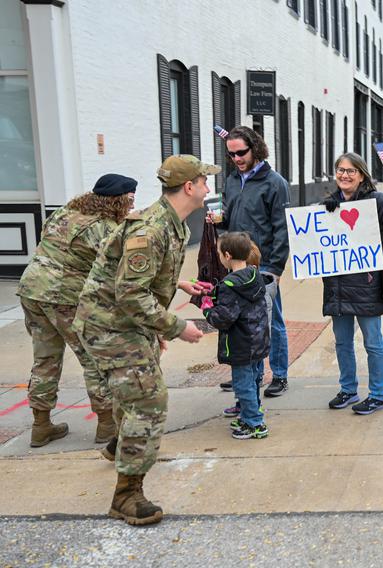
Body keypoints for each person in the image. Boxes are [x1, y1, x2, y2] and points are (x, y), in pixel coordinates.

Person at [75, 155, 213, 525]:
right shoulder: (150, 229)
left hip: (126, 323)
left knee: (133, 393)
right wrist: (174, 326)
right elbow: (130, 295)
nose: (207, 187)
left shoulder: (170, 223)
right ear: (188, 187)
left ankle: (119, 446)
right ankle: (126, 495)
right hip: (110, 326)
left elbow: (143, 279)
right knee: (149, 399)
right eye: (203, 181)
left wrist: (177, 286)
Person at [17, 174, 137, 448]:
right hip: (65, 296)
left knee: (45, 358)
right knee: (93, 357)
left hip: (32, 289)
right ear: (117, 200)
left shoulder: (66, 211)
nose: (131, 206)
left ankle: (41, 425)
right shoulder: (105, 228)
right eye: (129, 200)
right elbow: (116, 269)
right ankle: (106, 424)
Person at [321, 154, 383, 414]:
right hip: (337, 286)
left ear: (361, 175)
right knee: (342, 342)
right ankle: (348, 389)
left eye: (351, 171)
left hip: (367, 284)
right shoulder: (329, 204)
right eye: (340, 170)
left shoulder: (377, 201)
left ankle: (377, 394)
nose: (345, 175)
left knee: (372, 342)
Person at [210, 126, 291, 398]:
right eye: (231, 154)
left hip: (265, 265)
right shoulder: (232, 180)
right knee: (240, 323)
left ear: (255, 148)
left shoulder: (275, 183)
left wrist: (276, 269)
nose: (236, 159)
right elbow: (228, 215)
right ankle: (245, 375)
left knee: (272, 321)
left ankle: (279, 375)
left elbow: (282, 229)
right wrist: (218, 226)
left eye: (241, 153)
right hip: (236, 265)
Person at [203, 232, 271, 439]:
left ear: (227, 255)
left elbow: (224, 318)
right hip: (258, 340)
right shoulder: (255, 275)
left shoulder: (229, 286)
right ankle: (251, 412)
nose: (219, 257)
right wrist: (216, 291)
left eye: (219, 253)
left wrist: (207, 310)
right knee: (254, 379)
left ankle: (254, 424)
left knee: (243, 384)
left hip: (241, 344)